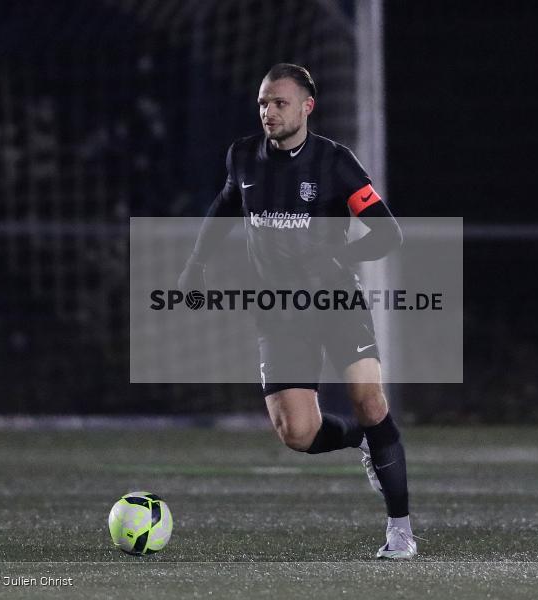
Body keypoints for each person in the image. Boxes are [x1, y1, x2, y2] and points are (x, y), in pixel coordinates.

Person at [178, 63, 415, 559]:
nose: (268, 111)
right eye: (263, 101)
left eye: (280, 102)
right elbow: (225, 206)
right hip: (279, 312)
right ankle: (363, 440)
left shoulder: (334, 163)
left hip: (335, 302)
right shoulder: (242, 157)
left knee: (370, 400)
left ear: (307, 106)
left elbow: (388, 233)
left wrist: (340, 256)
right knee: (297, 434)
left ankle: (400, 531)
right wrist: (196, 263)